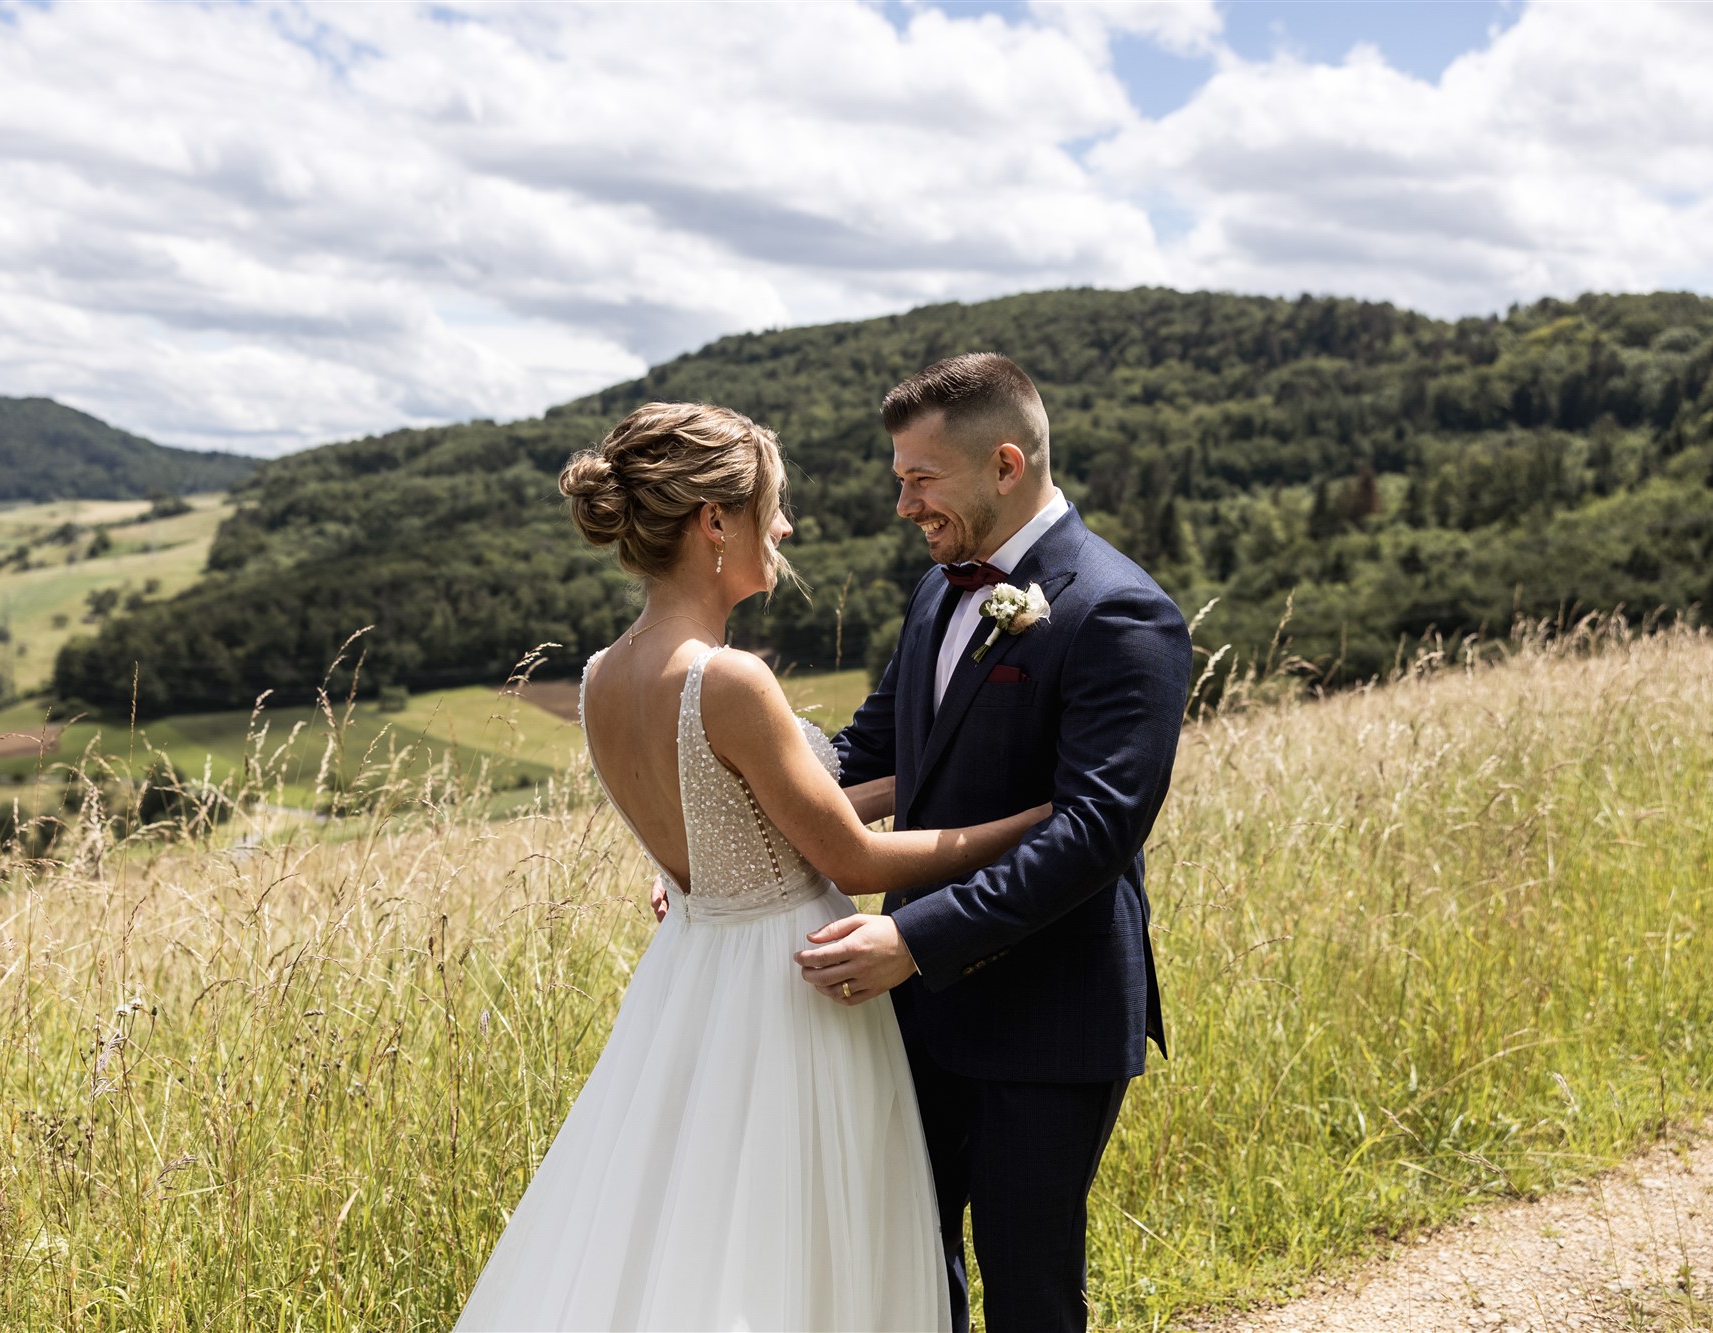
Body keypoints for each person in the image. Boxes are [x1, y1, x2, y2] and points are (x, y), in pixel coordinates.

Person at [454, 401, 1051, 1331]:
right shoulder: (728, 680)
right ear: (714, 522)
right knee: (799, 1253)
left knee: (689, 1237)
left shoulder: (602, 676)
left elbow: (751, 813)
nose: (784, 527)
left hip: (693, 977)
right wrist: (1035, 818)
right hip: (793, 986)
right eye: (772, 505)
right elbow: (846, 853)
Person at [797, 353, 1192, 1332]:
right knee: (909, 1273)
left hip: (1047, 1016)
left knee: (1028, 1288)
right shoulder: (936, 592)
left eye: (917, 479)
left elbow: (1093, 831)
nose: (902, 505)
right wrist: (740, 851)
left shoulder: (1120, 612)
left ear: (1003, 462)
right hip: (915, 1011)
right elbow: (866, 752)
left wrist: (914, 939)